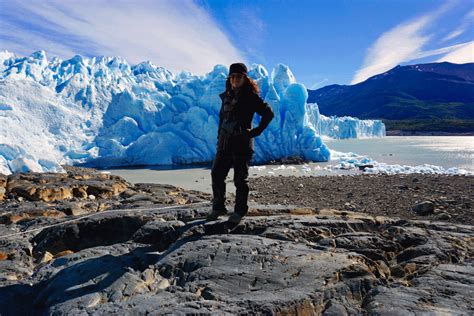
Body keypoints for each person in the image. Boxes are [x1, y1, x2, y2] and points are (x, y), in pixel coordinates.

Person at [207, 62, 275, 224]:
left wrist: (256, 132)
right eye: (232, 77)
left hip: (241, 143)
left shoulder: (251, 97)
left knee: (240, 179)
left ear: (245, 78)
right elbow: (222, 120)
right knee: (216, 174)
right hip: (224, 143)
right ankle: (218, 207)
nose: (235, 79)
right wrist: (219, 139)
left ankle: (239, 211)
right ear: (229, 79)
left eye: (238, 76)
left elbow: (268, 113)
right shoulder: (226, 97)